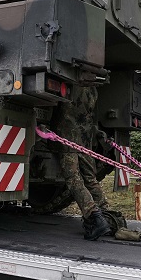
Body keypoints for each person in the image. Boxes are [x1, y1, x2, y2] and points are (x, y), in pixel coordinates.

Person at [55, 85, 111, 240]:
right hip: (85, 138)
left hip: (68, 137)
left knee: (73, 178)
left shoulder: (69, 85)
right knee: (90, 178)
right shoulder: (93, 90)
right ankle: (107, 215)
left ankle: (93, 215)